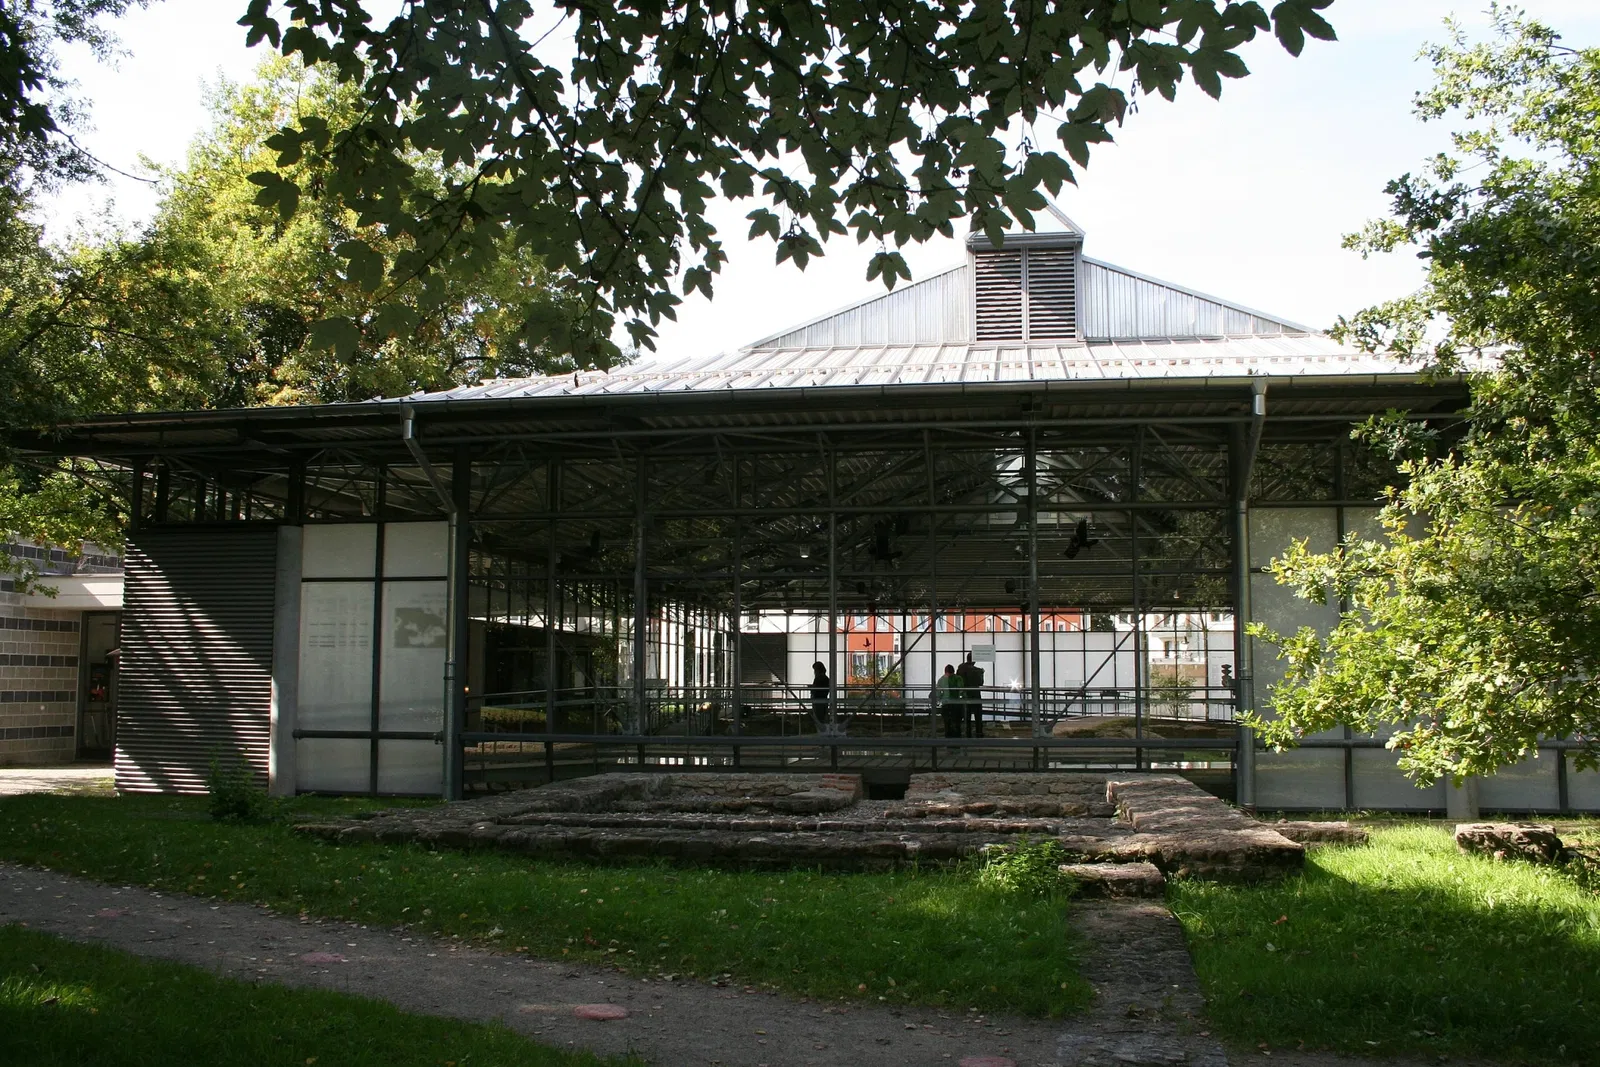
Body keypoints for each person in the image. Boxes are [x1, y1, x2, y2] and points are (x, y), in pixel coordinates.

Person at [957, 652, 986, 738]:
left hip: (965, 694)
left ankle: (968, 733)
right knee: (978, 715)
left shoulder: (960, 667)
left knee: (967, 715)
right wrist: (982, 673)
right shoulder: (977, 670)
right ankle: (979, 732)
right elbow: (981, 683)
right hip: (975, 694)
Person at [935, 663, 962, 739]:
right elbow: (961, 690)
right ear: (953, 671)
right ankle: (957, 738)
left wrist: (939, 699)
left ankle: (948, 738)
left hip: (945, 704)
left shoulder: (941, 680)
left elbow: (938, 693)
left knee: (947, 723)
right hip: (956, 703)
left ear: (945, 672)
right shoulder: (958, 678)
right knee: (957, 722)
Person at [809, 661, 831, 726]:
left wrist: (812, 688)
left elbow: (816, 689)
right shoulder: (826, 678)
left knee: (818, 717)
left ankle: (821, 730)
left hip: (818, 700)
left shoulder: (818, 678)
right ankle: (823, 731)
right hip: (823, 699)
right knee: (822, 717)